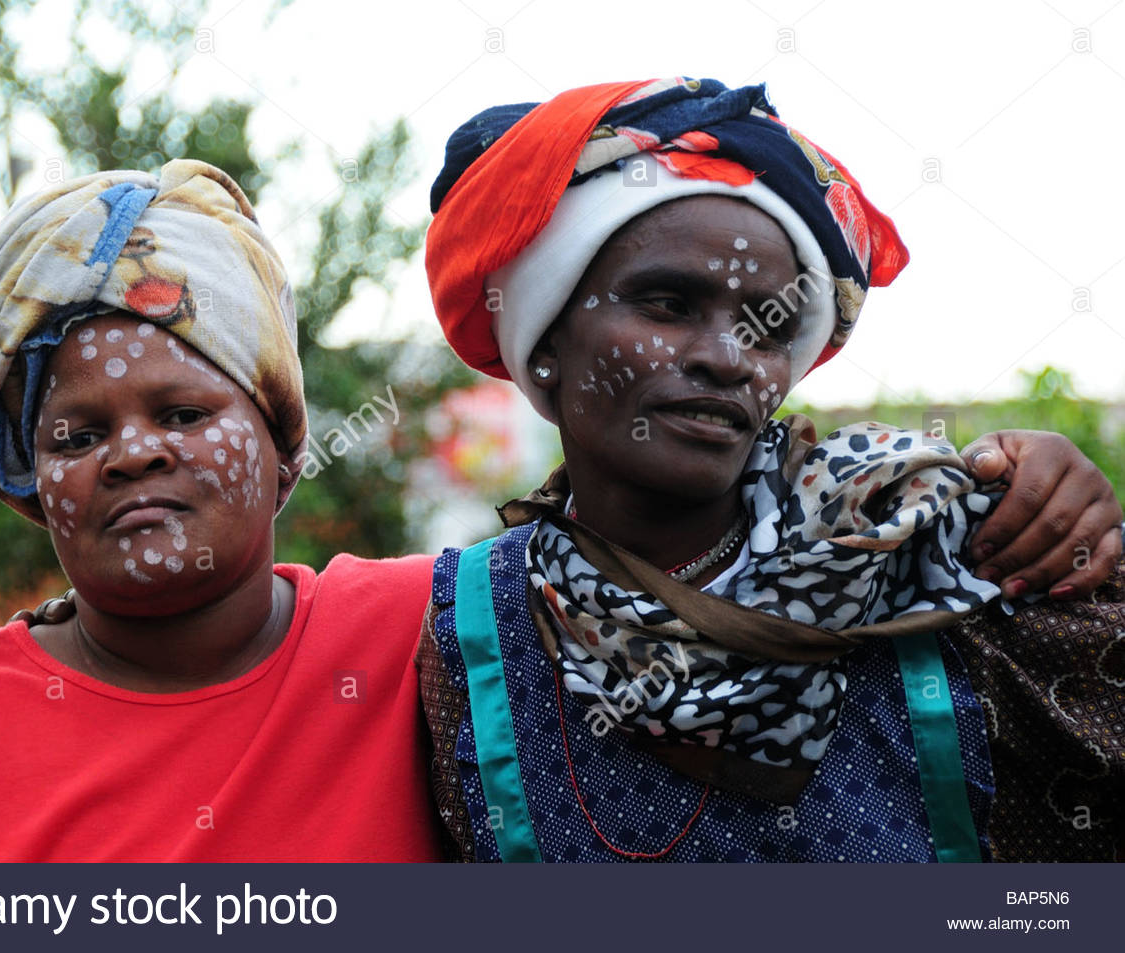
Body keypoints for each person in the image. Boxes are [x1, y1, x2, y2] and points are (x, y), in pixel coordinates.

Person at [419, 76, 1125, 861]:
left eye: (769, 327)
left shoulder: (922, 543)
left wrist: (1087, 529)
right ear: (544, 348)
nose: (728, 358)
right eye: (667, 305)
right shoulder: (465, 632)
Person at [0, 160, 442, 861]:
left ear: (283, 442)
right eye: (79, 436)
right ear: (34, 483)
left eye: (182, 414)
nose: (132, 454)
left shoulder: (434, 632)